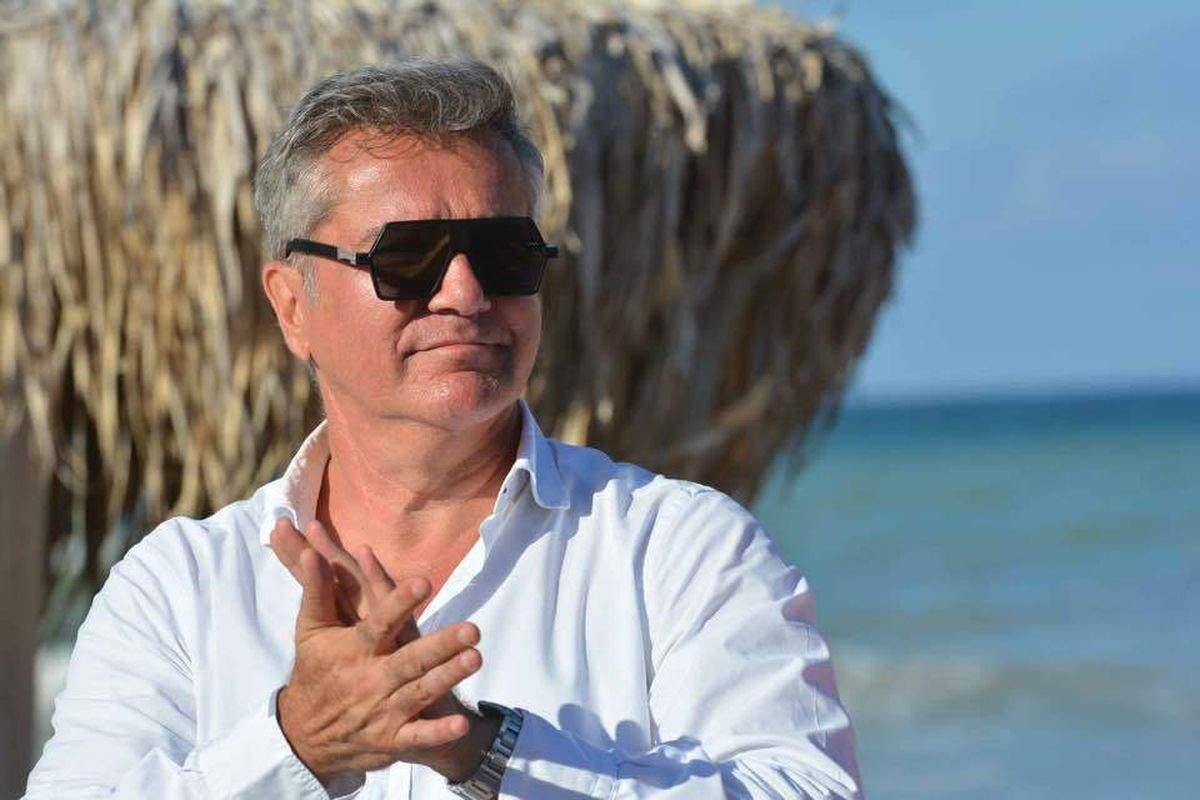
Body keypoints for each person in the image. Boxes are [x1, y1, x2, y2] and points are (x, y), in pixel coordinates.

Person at [24, 58, 862, 799]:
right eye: (407, 258)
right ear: (291, 304)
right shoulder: (179, 589)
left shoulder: (679, 551)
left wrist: (486, 751)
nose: (464, 294)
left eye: (504, 255)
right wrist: (294, 747)